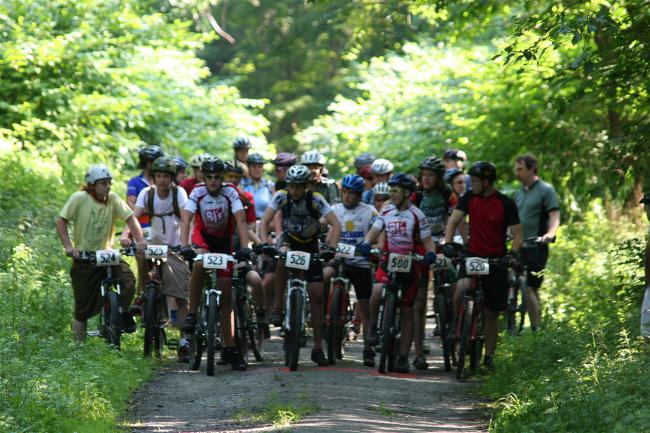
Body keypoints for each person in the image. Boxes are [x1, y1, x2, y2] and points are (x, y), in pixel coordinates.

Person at [258, 164, 342, 367]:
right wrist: (264, 243)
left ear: (305, 186)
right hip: (289, 240)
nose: (294, 191)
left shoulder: (315, 199)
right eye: (292, 186)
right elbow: (264, 222)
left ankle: (318, 348)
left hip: (311, 244)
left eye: (298, 186)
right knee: (282, 257)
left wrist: (331, 247)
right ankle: (278, 307)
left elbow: (336, 224)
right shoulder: (281, 196)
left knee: (317, 293)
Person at [443, 161, 522, 371]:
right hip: (474, 255)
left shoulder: (506, 203)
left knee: (491, 313)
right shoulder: (469, 197)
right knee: (461, 287)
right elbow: (453, 221)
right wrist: (449, 243)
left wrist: (512, 254)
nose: (472, 184)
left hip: (496, 259)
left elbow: (518, 234)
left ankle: (489, 357)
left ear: (487, 182)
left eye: (476, 181)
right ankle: (458, 321)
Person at [56, 164, 145, 341]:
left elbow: (130, 218)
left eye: (109, 183)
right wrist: (69, 246)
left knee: (128, 281)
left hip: (107, 254)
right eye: (103, 183)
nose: (108, 186)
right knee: (82, 308)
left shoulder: (112, 199)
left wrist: (140, 241)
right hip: (85, 256)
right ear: (92, 184)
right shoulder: (79, 198)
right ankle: (78, 349)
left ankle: (121, 312)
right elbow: (61, 221)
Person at [360, 173, 438, 373]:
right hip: (389, 258)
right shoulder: (386, 211)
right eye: (390, 190)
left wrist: (430, 253)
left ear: (407, 193)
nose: (391, 194)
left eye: (395, 191)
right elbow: (374, 231)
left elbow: (427, 240)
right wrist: (367, 244)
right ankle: (374, 329)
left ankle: (403, 356)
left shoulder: (417, 214)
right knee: (377, 291)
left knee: (407, 310)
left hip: (410, 262)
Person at [179, 157, 252, 371]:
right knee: (200, 262)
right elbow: (186, 219)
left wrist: (245, 247)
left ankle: (230, 348)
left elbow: (240, 220)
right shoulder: (198, 191)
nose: (213, 181)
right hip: (203, 238)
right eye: (208, 177)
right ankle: (192, 314)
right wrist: (184, 245)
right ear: (203, 176)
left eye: (217, 177)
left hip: (223, 241)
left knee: (226, 292)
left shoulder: (230, 192)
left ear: (222, 178)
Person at [125, 156, 191, 361]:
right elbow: (133, 217)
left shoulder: (178, 193)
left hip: (174, 246)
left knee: (180, 293)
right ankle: (143, 293)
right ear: (154, 177)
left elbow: (186, 218)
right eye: (158, 176)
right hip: (154, 244)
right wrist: (125, 235)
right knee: (140, 252)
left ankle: (184, 340)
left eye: (166, 176)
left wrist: (185, 245)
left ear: (171, 178)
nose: (162, 180)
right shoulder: (147, 193)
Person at [322, 174, 379, 366]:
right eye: (345, 192)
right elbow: (321, 225)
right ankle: (322, 315)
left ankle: (368, 348)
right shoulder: (334, 209)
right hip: (338, 258)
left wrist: (374, 248)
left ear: (359, 195)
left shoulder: (370, 211)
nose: (347, 197)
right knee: (324, 275)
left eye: (352, 194)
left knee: (365, 304)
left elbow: (381, 231)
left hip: (360, 261)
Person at [410, 156, 458, 370]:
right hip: (421, 247)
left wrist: (451, 240)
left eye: (431, 175)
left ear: (438, 177)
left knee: (453, 287)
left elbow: (456, 216)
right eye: (424, 174)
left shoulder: (448, 193)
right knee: (418, 302)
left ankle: (456, 327)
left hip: (442, 245)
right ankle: (418, 352)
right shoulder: (416, 194)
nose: (426, 178)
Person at [513, 154, 560, 332]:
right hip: (519, 245)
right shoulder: (519, 193)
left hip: (536, 246)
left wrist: (550, 233)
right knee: (515, 283)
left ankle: (536, 328)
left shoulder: (545, 189)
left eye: (520, 169)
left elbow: (554, 215)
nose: (517, 173)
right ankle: (514, 321)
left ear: (532, 168)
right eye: (516, 169)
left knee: (531, 286)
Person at [224, 160, 268, 334]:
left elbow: (249, 227)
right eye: (229, 176)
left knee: (256, 280)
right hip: (220, 251)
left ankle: (261, 314)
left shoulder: (247, 198)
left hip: (240, 248)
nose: (233, 180)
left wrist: (258, 244)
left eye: (236, 177)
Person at [241, 153, 274, 219]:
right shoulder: (242, 184)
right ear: (248, 168)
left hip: (266, 224)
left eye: (260, 166)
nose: (257, 169)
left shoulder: (270, 185)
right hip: (247, 224)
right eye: (254, 166)